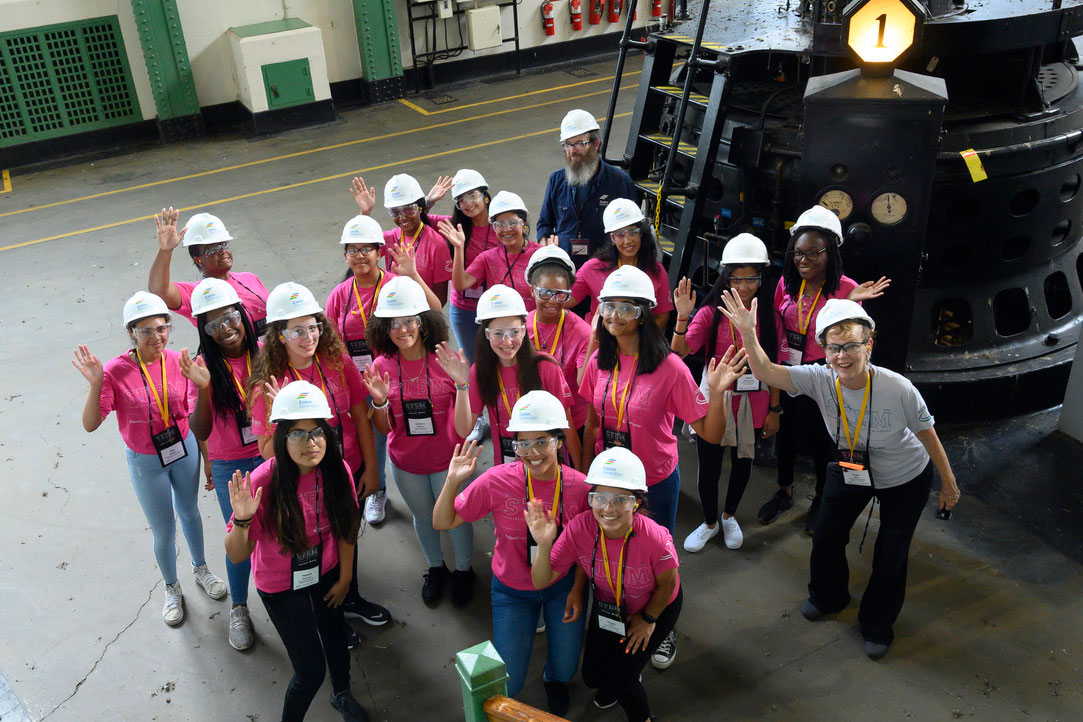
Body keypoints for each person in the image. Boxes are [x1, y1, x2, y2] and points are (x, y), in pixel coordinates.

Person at [719, 295, 961, 660]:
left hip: (905, 476)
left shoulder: (897, 388)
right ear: (824, 350)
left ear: (869, 346)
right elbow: (768, 372)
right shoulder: (820, 379)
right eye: (833, 348)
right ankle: (828, 596)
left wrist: (949, 483)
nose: (842, 356)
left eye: (851, 346)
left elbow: (928, 434)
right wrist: (749, 334)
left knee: (890, 554)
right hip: (851, 469)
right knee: (827, 534)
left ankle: (878, 624)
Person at [579, 265, 746, 669]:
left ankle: (660, 626)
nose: (614, 315)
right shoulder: (599, 361)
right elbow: (591, 425)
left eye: (626, 307)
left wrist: (719, 393)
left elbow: (707, 432)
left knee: (655, 561)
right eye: (608, 306)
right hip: (608, 484)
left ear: (645, 313)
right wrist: (586, 479)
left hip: (654, 483)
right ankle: (619, 620)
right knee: (613, 555)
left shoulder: (670, 368)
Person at [72, 292, 226, 627]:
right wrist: (96, 385)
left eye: (161, 328)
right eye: (146, 331)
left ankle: (201, 568)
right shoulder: (115, 370)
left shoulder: (179, 361)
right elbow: (90, 423)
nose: (156, 337)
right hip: (146, 461)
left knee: (190, 512)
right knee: (163, 529)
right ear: (131, 333)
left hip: (183, 449)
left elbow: (195, 418)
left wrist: (209, 457)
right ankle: (172, 587)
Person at [433, 391, 591, 716]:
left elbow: (587, 551)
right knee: (511, 682)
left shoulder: (580, 488)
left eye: (542, 442)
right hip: (513, 591)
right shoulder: (497, 481)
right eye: (523, 444)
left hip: (561, 587)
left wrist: (577, 589)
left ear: (559, 441)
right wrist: (452, 481)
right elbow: (442, 520)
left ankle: (553, 680)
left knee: (564, 671)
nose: (532, 453)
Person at [248, 282, 391, 631]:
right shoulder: (266, 384)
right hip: (302, 486)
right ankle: (328, 616)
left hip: (346, 470)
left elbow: (360, 417)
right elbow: (268, 454)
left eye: (313, 326)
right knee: (316, 545)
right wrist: (276, 417)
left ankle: (349, 595)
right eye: (296, 330)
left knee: (346, 533)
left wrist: (372, 470)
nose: (308, 336)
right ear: (278, 336)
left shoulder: (336, 361)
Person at [224, 381, 369, 721]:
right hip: (280, 584)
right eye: (298, 434)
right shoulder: (263, 481)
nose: (310, 443)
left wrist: (346, 576)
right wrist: (243, 520)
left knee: (335, 637)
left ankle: (342, 693)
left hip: (327, 570)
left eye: (318, 432)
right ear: (281, 437)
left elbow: (347, 526)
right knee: (310, 671)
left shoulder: (337, 471)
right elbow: (236, 555)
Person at [759, 205, 891, 535]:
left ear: (830, 252)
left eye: (813, 254)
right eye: (798, 254)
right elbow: (777, 331)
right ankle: (784, 491)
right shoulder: (786, 284)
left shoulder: (847, 288)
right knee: (787, 436)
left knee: (823, 440)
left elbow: (849, 341)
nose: (804, 261)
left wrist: (853, 303)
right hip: (790, 368)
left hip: (824, 373)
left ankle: (820, 499)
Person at [527, 447, 680, 722]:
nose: (608, 509)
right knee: (593, 676)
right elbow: (541, 580)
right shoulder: (579, 528)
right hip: (610, 606)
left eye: (620, 499)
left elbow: (669, 585)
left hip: (655, 605)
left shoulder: (655, 538)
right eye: (599, 498)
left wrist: (648, 618)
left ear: (636, 502)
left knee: (624, 680)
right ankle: (623, 672)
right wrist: (543, 544)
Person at [360, 276, 474, 607]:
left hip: (446, 461)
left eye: (409, 320)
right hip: (406, 462)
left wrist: (463, 385)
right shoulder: (382, 365)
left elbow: (465, 428)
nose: (402, 329)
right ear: (384, 328)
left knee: (454, 516)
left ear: (422, 321)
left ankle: (465, 570)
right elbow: (384, 428)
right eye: (393, 323)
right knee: (424, 517)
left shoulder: (446, 359)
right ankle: (436, 568)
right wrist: (380, 402)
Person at [324, 214, 442, 525]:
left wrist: (413, 274)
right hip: (363, 381)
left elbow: (435, 311)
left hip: (401, 375)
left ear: (380, 252)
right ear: (345, 255)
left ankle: (429, 482)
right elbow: (332, 341)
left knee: (407, 432)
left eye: (367, 249)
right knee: (374, 438)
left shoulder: (396, 284)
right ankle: (378, 490)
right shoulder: (340, 294)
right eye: (352, 249)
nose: (360, 256)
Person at [671, 234, 780, 553]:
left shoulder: (768, 317)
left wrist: (775, 409)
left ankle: (729, 515)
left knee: (743, 460)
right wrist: (682, 315)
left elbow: (773, 364)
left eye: (752, 278)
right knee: (709, 464)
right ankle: (709, 522)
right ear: (726, 276)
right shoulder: (712, 313)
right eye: (737, 277)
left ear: (761, 278)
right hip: (715, 399)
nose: (745, 285)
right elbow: (681, 349)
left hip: (755, 400)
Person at [179, 278, 263, 649]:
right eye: (214, 325)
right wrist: (203, 389)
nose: (225, 329)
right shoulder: (202, 368)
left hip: (274, 451)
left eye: (229, 318)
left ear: (242, 313)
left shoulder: (266, 352)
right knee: (239, 536)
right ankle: (240, 607)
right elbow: (201, 427)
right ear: (204, 330)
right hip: (234, 464)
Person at [436, 285, 582, 470]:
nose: (507, 341)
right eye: (498, 334)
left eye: (514, 332)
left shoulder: (546, 367)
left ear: (524, 331)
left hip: (547, 464)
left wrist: (579, 471)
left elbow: (566, 425)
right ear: (486, 335)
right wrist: (462, 384)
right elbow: (464, 429)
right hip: (505, 467)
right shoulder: (480, 371)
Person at [537, 109, 637, 267]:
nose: (572, 151)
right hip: (564, 267)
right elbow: (544, 224)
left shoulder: (619, 183)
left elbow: (631, 231)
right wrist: (546, 247)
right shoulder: (556, 180)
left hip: (603, 268)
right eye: (568, 145)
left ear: (596, 144)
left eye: (580, 144)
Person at [149, 209, 269, 336]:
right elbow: (159, 290)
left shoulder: (249, 278)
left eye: (223, 244)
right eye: (213, 250)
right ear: (198, 260)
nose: (222, 251)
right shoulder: (197, 294)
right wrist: (165, 251)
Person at [567, 198, 673, 330]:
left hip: (636, 346)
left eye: (633, 232)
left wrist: (636, 341)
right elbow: (563, 301)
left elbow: (662, 317)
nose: (628, 240)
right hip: (599, 342)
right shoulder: (593, 267)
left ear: (641, 233)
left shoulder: (656, 270)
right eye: (620, 235)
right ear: (612, 238)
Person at [350, 173, 454, 305]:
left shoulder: (437, 245)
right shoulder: (390, 238)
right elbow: (358, 249)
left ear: (420, 208)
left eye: (408, 210)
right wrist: (365, 213)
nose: (403, 217)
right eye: (395, 212)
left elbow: (440, 300)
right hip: (392, 310)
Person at [442, 191, 549, 313]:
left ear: (524, 225)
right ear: (494, 228)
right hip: (500, 326)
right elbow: (460, 284)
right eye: (500, 224)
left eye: (513, 223)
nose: (507, 229)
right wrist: (458, 248)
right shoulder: (487, 258)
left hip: (532, 325)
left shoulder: (540, 255)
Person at [524, 246, 592, 436]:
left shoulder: (583, 334)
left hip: (570, 423)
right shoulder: (519, 329)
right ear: (532, 290)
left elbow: (585, 385)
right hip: (528, 419)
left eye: (561, 294)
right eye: (545, 293)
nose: (553, 301)